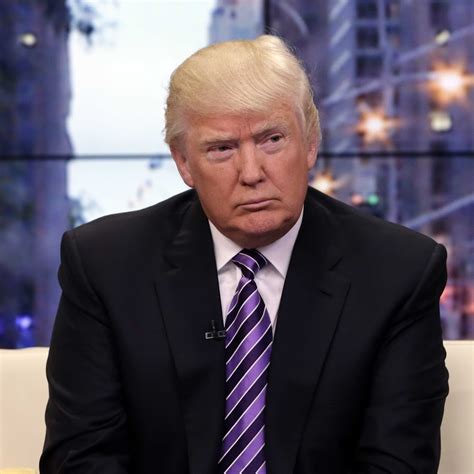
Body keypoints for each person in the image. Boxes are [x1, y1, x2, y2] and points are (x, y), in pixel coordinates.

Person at [40, 35, 448, 474]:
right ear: (184, 163)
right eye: (222, 148)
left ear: (310, 143)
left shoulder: (398, 272)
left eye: (272, 139)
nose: (252, 173)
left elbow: (397, 463)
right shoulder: (105, 265)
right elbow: (81, 457)